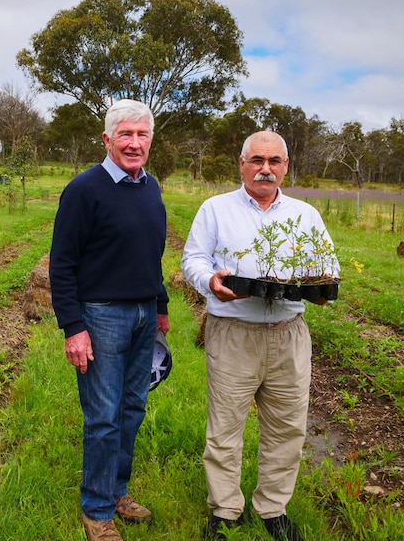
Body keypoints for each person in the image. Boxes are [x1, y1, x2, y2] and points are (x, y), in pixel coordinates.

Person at [180, 131, 338, 541]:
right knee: (226, 426)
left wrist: (322, 291)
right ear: (242, 163)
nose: (265, 169)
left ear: (286, 166)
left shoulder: (306, 215)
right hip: (233, 333)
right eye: (256, 160)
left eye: (273, 161)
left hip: (289, 333)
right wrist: (208, 281)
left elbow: (327, 265)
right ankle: (225, 510)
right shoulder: (215, 209)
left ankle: (272, 508)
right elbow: (193, 258)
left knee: (287, 428)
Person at [49, 99, 170, 541]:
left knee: (132, 409)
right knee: (103, 415)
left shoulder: (151, 188)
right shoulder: (84, 190)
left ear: (151, 140)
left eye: (142, 135)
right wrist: (73, 328)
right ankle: (97, 510)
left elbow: (152, 254)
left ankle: (117, 490)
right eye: (125, 134)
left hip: (142, 315)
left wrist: (161, 306)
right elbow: (61, 264)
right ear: (107, 139)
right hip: (100, 317)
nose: (134, 143)